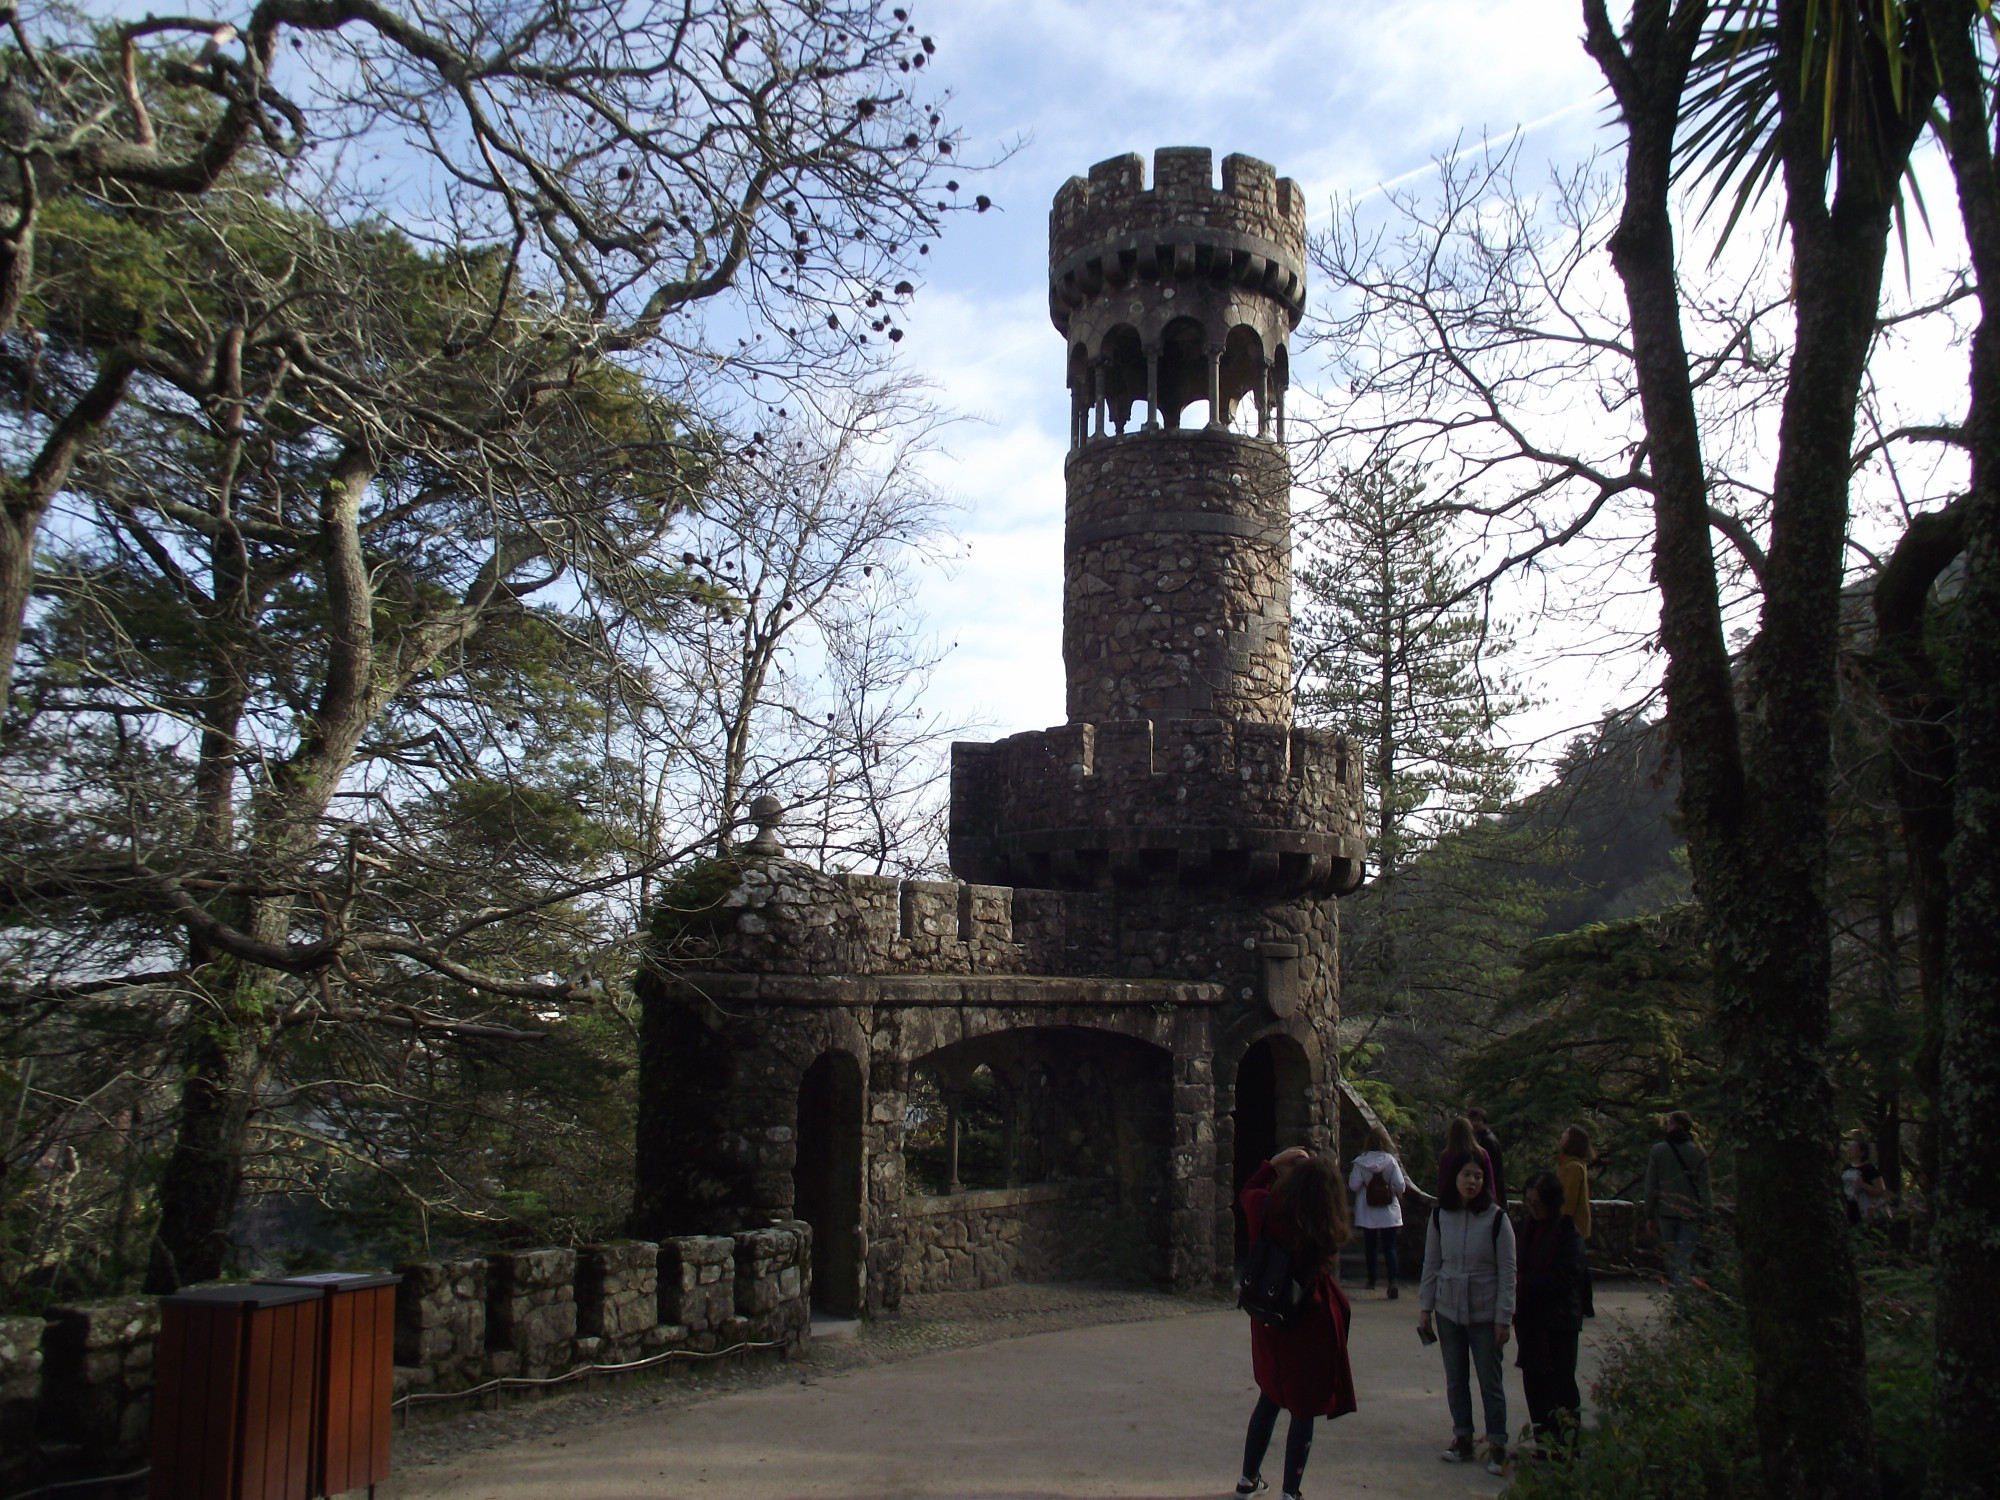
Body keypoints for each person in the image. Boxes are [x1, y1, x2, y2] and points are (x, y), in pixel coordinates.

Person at [1234, 1146, 1357, 1500]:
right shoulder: (1325, 1224)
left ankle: (1248, 1478)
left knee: (1270, 1396)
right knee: (1303, 1407)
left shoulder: (1268, 1209)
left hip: (1270, 1314)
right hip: (1310, 1319)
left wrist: (1271, 1164)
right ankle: (1290, 1491)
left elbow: (1248, 1193)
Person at [1419, 1154, 1516, 1476]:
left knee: (1490, 1381)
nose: (1472, 1182)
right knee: (1456, 1378)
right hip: (1449, 1311)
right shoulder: (1440, 1217)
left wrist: (1504, 1316)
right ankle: (1462, 1436)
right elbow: (1432, 1264)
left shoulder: (1497, 1219)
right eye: (1466, 1175)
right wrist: (1425, 1309)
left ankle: (1498, 1443)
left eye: (1477, 1176)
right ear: (1455, 1178)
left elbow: (1507, 1271)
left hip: (1485, 1313)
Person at [1514, 1170, 1589, 1457]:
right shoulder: (1523, 1229)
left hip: (1558, 1322)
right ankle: (1544, 1443)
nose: (1533, 1207)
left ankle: (1568, 1446)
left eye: (1538, 1202)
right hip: (1530, 1321)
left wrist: (1524, 1283)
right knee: (1535, 1387)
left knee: (1561, 1387)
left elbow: (1566, 1278)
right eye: (1529, 1201)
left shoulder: (1568, 1233)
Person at [1643, 1110, 1711, 1285]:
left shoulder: (1658, 1151)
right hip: (1691, 1214)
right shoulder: (1699, 1152)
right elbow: (1705, 1188)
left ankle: (1678, 1297)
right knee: (1684, 1257)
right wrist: (1708, 1215)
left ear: (1674, 1125)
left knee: (1672, 1258)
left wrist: (1649, 1214)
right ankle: (1681, 1301)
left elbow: (1651, 1185)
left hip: (1666, 1213)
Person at [1348, 1124, 1408, 1298]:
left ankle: (1371, 1279)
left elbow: (1353, 1185)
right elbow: (1400, 1185)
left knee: (1370, 1246)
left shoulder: (1360, 1162)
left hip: (1367, 1211)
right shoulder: (1390, 1161)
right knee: (1390, 1246)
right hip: (1388, 1210)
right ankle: (1392, 1281)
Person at [1554, 1124, 1595, 1318]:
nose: (1561, 1137)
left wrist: (1560, 1222)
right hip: (1575, 1225)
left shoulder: (1572, 1168)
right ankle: (1585, 1304)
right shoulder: (1571, 1165)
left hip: (1571, 1225)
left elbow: (1567, 1200)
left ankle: (1582, 1304)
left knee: (1575, 1267)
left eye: (1565, 1134)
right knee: (1579, 1266)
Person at [1434, 1115, 1498, 1204]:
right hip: (1479, 1203)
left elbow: (1442, 1183)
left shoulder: (1447, 1155)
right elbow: (1490, 1182)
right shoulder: (1482, 1153)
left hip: (1453, 1203)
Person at [1841, 1137, 1890, 1228]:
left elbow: (1881, 1191)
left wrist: (1863, 1185)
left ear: (1862, 1152)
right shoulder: (1846, 1167)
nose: (1849, 1150)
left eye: (1853, 1148)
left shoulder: (1870, 1169)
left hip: (1865, 1210)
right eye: (1849, 1147)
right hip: (1849, 1209)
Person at [1468, 1106, 1508, 1205]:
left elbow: (1494, 1170)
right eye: (1472, 1120)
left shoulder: (1488, 1141)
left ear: (1484, 1122)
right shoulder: (1478, 1138)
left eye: (1478, 1120)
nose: (1474, 1123)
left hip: (1489, 1190)